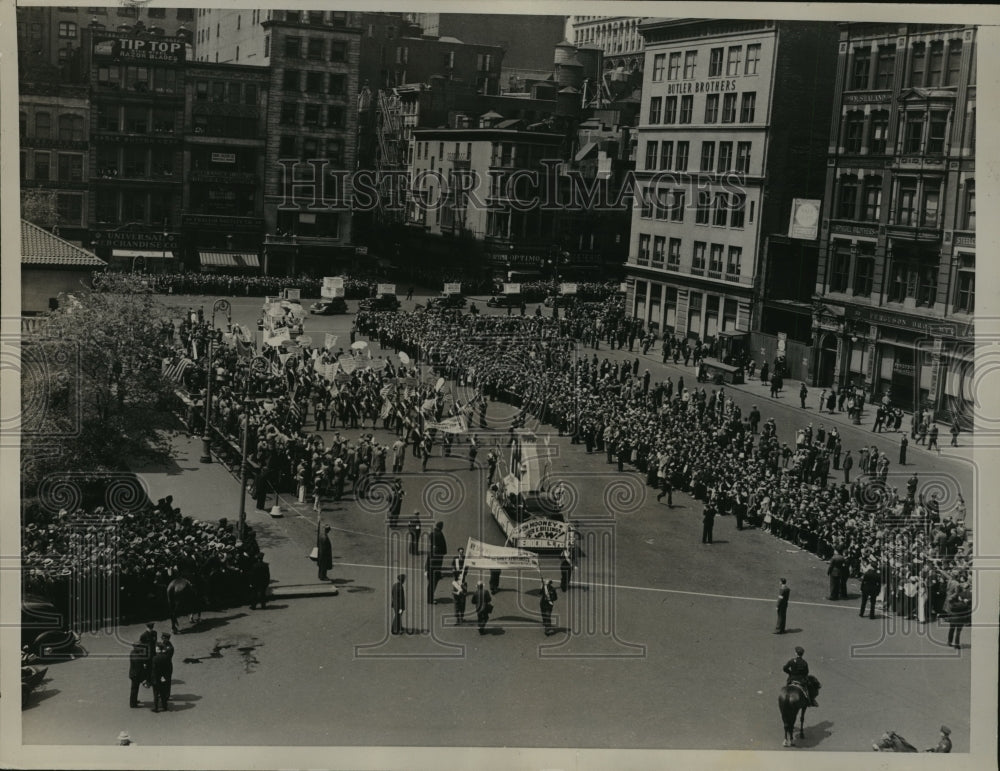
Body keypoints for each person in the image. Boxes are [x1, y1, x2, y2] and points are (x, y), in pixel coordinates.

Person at [150, 643, 173, 713]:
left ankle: (156, 707)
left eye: (156, 648)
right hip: (163, 678)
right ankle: (164, 706)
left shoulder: (155, 658)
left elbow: (154, 670)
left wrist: (152, 679)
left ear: (158, 649)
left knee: (156, 694)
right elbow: (169, 668)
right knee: (163, 693)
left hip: (156, 679)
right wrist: (165, 677)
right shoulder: (166, 657)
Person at [128, 643, 148, 708]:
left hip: (133, 674)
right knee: (134, 689)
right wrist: (143, 679)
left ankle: (134, 701)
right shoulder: (137, 656)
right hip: (135, 675)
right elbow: (139, 669)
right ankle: (133, 704)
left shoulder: (133, 653)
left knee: (135, 689)